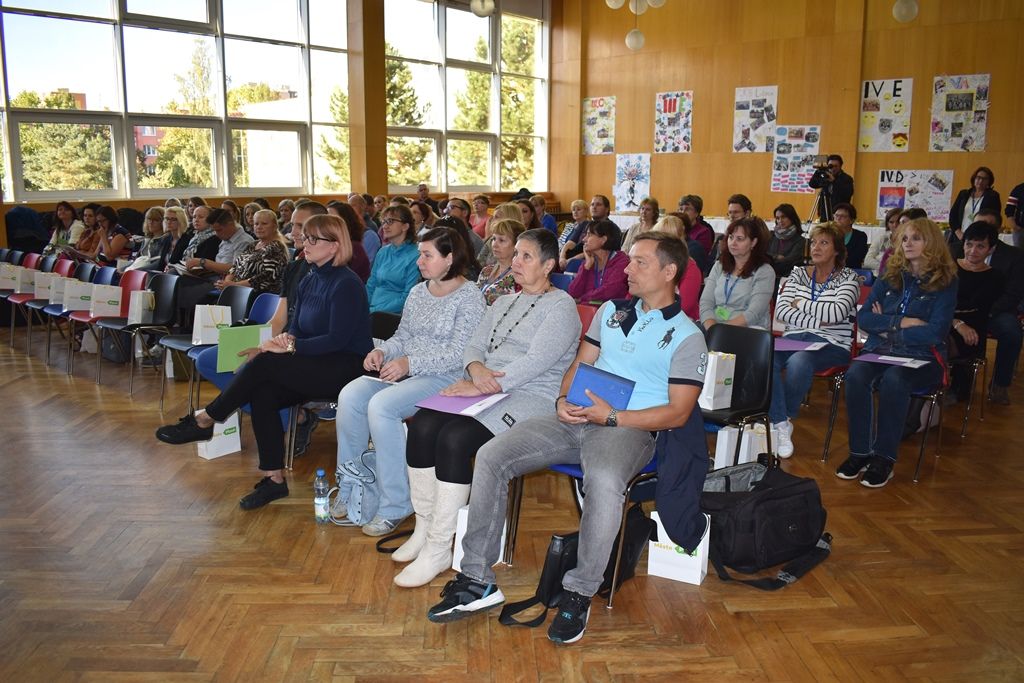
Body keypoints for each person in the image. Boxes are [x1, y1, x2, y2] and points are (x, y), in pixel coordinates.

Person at [427, 232, 707, 645]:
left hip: (627, 429)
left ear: (669, 272)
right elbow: (581, 362)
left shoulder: (687, 335)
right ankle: (477, 579)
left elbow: (679, 411)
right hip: (575, 417)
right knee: (491, 455)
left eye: (639, 263)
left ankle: (578, 592)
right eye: (628, 261)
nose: (627, 269)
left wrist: (613, 416)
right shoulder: (611, 310)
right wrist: (561, 398)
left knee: (606, 482)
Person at [395, 229, 581, 588]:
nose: (516, 262)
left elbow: (536, 362)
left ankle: (439, 547)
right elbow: (474, 346)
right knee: (421, 426)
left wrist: (481, 383)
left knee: (454, 439)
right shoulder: (501, 302)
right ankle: (424, 527)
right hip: (484, 388)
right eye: (517, 255)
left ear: (549, 265)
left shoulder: (562, 307)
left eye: (527, 257)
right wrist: (477, 370)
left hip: (530, 396)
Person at [156, 213, 372, 509]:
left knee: (266, 362)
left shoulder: (347, 284)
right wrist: (282, 340)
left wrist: (289, 347)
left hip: (345, 367)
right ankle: (274, 480)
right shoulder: (310, 279)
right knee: (263, 392)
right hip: (314, 361)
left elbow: (337, 340)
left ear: (335, 246)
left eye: (313, 239)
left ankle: (208, 417)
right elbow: (296, 326)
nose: (304, 243)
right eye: (304, 237)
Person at [336, 227, 485, 538]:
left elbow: (460, 355)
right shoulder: (419, 292)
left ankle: (396, 503)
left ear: (449, 258)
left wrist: (409, 364)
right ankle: (353, 483)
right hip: (410, 372)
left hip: (447, 377)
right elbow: (403, 337)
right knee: (350, 396)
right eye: (420, 254)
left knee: (382, 407)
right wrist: (382, 350)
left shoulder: (470, 296)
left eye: (427, 255)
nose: (420, 261)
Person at [836, 218, 957, 488]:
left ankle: (884, 459)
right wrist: (902, 322)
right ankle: (860, 452)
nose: (908, 244)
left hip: (924, 357)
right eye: (904, 238)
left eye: (916, 238)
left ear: (932, 243)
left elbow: (935, 332)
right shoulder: (890, 275)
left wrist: (887, 327)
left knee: (895, 379)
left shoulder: (945, 282)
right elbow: (865, 318)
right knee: (855, 374)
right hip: (881, 350)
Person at [770, 223, 860, 457]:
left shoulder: (849, 278)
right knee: (764, 357)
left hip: (832, 344)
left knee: (800, 361)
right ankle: (781, 423)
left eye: (824, 242)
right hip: (793, 338)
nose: (816, 247)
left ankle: (785, 416)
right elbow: (781, 312)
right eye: (814, 242)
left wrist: (799, 303)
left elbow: (836, 314)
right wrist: (818, 317)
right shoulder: (798, 272)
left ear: (837, 249)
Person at [972, 208, 1024, 405]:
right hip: (964, 310)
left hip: (997, 310)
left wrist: (988, 311)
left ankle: (1000, 384)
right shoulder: (958, 249)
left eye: (989, 225)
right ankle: (955, 382)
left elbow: (1013, 294)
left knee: (1012, 332)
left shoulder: (1014, 256)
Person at [949, 221, 1005, 402]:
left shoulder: (995, 277)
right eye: (969, 244)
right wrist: (956, 322)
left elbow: (977, 308)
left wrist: (959, 318)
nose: (973, 250)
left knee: (945, 340)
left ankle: (946, 385)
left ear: (991, 249)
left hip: (973, 329)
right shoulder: (948, 268)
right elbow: (937, 303)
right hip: (945, 322)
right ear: (963, 244)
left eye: (980, 246)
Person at [699, 217, 774, 330]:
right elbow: (706, 302)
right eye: (731, 237)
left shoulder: (764, 271)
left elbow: (754, 313)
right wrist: (711, 327)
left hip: (748, 329)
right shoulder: (719, 266)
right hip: (714, 326)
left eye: (740, 239)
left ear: (753, 242)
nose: (733, 243)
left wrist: (720, 330)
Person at [214, 208, 289, 293]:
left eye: (264, 224)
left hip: (259, 294)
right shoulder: (253, 245)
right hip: (238, 290)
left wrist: (233, 285)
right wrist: (227, 283)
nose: (259, 227)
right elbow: (235, 266)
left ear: (275, 226)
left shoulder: (276, 247)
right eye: (256, 224)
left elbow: (266, 277)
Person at [367, 204, 422, 314]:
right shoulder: (383, 252)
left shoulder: (417, 255)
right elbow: (371, 284)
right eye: (383, 221)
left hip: (394, 315)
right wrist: (363, 306)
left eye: (390, 221)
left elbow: (408, 297)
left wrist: (374, 311)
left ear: (405, 226)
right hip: (372, 310)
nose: (384, 226)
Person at [652, 215, 702, 320]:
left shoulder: (690, 268)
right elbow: (632, 296)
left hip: (681, 321)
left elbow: (684, 306)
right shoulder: (650, 264)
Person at [567, 219, 629, 303]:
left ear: (603, 239)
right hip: (588, 311)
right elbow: (573, 292)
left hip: (612, 312)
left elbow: (609, 292)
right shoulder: (589, 262)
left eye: (589, 235)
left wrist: (582, 299)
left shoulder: (621, 262)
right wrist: (586, 267)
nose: (584, 239)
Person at [948, 167, 1001, 253]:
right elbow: (953, 215)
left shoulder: (992, 196)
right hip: (960, 236)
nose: (980, 181)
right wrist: (958, 233)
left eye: (984, 179)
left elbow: (994, 218)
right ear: (974, 178)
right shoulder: (964, 194)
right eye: (978, 177)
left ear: (989, 181)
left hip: (980, 238)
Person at [476, 218, 525, 305]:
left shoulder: (520, 276)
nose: (495, 244)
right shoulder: (486, 270)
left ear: (516, 245)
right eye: (494, 239)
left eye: (501, 240)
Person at [326, 201, 371, 282]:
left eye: (332, 219)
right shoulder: (330, 244)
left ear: (345, 222)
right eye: (326, 219)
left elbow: (339, 280)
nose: (326, 224)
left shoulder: (354, 248)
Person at [559, 195, 609, 267]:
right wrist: (562, 257)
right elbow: (570, 242)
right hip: (570, 258)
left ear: (606, 209)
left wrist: (571, 260)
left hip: (585, 261)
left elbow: (595, 251)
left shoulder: (609, 227)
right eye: (592, 204)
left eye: (598, 204)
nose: (594, 207)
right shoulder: (586, 224)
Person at [808, 154, 855, 221]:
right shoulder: (826, 176)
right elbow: (812, 184)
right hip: (825, 212)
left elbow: (847, 194)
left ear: (840, 166)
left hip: (840, 214)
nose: (833, 168)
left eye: (836, 166)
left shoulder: (846, 179)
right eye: (830, 166)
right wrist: (818, 171)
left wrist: (834, 181)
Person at [767, 203, 806, 277]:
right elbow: (764, 255)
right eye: (777, 218)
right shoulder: (771, 236)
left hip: (788, 277)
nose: (780, 221)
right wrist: (776, 257)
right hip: (769, 275)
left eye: (783, 217)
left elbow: (790, 261)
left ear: (791, 218)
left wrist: (772, 259)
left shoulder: (800, 240)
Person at [125, 206, 169, 271]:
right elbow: (136, 261)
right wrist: (123, 269)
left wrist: (137, 271)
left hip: (150, 273)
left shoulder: (165, 239)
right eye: (149, 219)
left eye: (155, 220)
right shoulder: (146, 239)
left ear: (163, 222)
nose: (151, 222)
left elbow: (159, 263)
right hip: (138, 270)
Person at [864, 207, 902, 275]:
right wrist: (885, 267)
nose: (895, 225)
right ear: (887, 224)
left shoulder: (908, 242)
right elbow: (867, 261)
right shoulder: (881, 238)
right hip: (879, 276)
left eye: (898, 222)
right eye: (891, 222)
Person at [833, 203, 868, 269]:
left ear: (851, 220)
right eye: (836, 215)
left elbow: (856, 259)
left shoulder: (860, 236)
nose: (838, 218)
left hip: (852, 271)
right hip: (830, 271)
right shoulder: (829, 235)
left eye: (843, 216)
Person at [156, 206, 188, 272]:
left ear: (181, 221)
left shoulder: (187, 240)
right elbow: (161, 263)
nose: (169, 222)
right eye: (167, 219)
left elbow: (183, 263)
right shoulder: (167, 239)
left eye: (173, 219)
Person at [1005, 180, 1024, 248]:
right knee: (1019, 256)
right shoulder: (1019, 189)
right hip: (1021, 230)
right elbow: (1009, 208)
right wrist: (1014, 226)